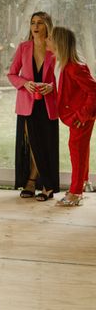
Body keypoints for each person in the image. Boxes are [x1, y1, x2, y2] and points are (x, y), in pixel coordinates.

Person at [7, 12, 59, 201]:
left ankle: (43, 184)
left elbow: (63, 75)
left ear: (47, 26)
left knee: (44, 144)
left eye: (40, 23)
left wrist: (52, 86)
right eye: (33, 23)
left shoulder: (55, 48)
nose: (35, 26)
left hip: (48, 103)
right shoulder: (24, 47)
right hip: (27, 103)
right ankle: (33, 181)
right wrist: (24, 83)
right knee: (32, 144)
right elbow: (12, 74)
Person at [47, 27, 96, 207]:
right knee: (80, 148)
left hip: (81, 118)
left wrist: (81, 115)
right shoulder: (65, 64)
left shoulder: (75, 67)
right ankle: (83, 182)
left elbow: (94, 91)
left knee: (77, 150)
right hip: (76, 115)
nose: (47, 40)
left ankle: (75, 192)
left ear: (59, 43)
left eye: (50, 38)